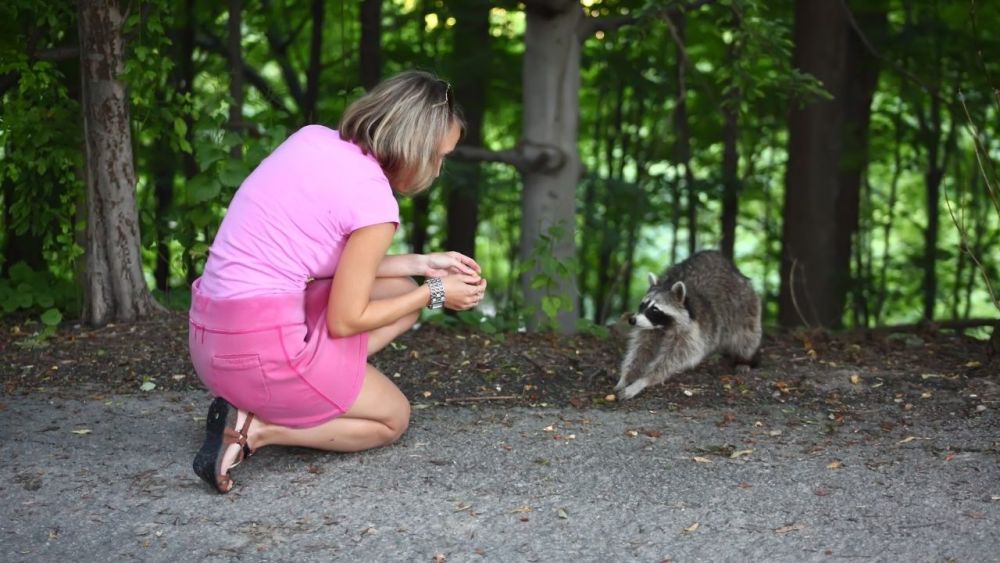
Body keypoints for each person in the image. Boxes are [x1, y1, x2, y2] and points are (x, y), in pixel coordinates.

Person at [189, 70, 486, 494]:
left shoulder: (312, 140)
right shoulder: (375, 202)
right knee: (392, 418)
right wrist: (434, 292)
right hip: (257, 358)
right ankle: (259, 429)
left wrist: (422, 262)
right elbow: (346, 320)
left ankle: (307, 386)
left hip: (211, 343)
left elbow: (322, 258)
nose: (437, 170)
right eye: (438, 156)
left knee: (399, 292)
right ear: (412, 146)